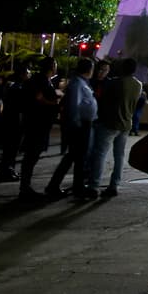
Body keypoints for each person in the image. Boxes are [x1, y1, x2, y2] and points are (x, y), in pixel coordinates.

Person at [87, 56, 143, 198]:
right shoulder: (138, 85)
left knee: (100, 154)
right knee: (119, 156)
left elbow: (105, 102)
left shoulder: (115, 83)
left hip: (110, 123)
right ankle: (114, 185)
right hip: (126, 124)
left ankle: (94, 186)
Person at [45, 58, 98, 199]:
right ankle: (71, 188)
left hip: (82, 124)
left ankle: (71, 186)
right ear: (88, 69)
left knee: (76, 157)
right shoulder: (77, 83)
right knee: (77, 157)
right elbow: (74, 105)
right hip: (80, 125)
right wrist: (76, 124)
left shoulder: (81, 83)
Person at [17, 57, 60, 201]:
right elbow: (38, 98)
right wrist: (52, 102)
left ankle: (25, 186)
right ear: (52, 67)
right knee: (31, 155)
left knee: (32, 155)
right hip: (37, 123)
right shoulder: (40, 81)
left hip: (38, 122)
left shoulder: (39, 80)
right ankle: (25, 187)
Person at [0, 63, 28, 182]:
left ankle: (9, 169)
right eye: (27, 73)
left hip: (10, 119)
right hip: (13, 121)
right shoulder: (17, 87)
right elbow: (19, 106)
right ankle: (6, 171)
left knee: (11, 149)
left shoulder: (12, 86)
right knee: (11, 148)